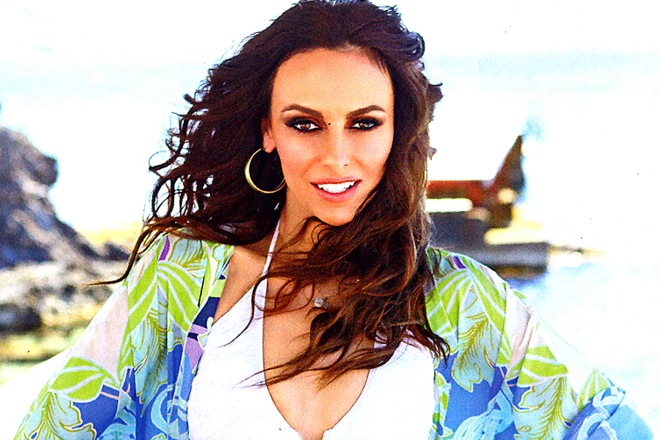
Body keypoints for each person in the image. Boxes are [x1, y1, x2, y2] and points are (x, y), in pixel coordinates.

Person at [14, 1, 652, 439]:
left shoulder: (464, 303)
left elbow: (610, 426)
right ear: (268, 131)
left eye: (365, 123)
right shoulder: (180, 285)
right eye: (305, 124)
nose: (336, 156)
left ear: (398, 131)